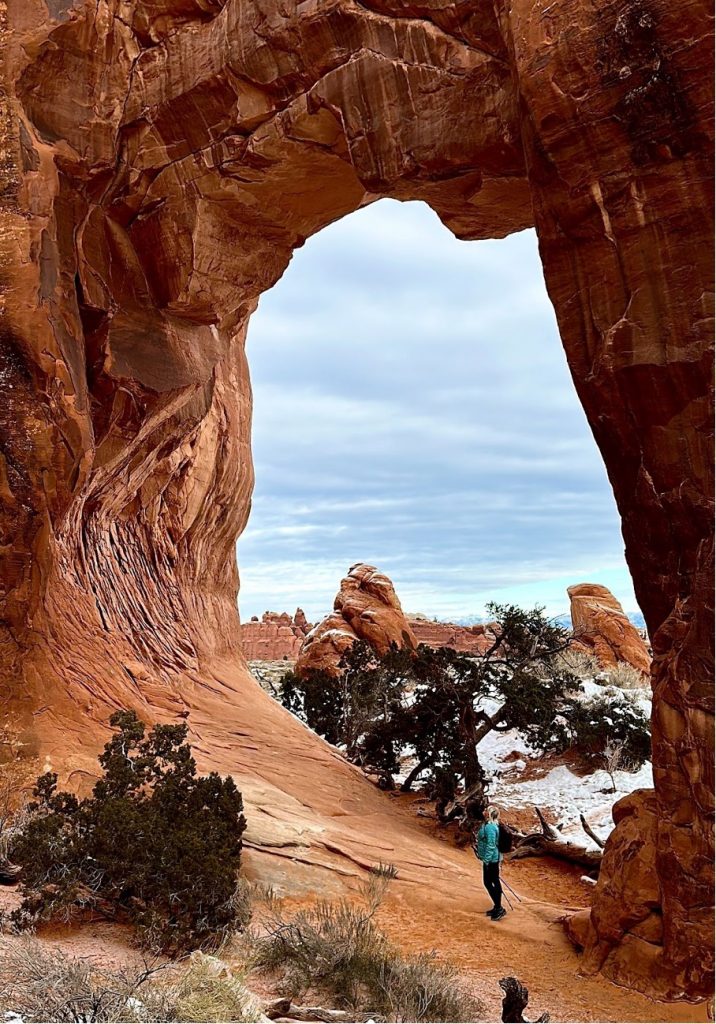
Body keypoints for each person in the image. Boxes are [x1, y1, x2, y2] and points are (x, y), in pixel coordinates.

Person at [474, 804, 506, 921]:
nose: (484, 811)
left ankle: (499, 908)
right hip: (491, 859)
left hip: (492, 860)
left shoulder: (490, 827)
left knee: (490, 882)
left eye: (486, 810)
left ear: (489, 814)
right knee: (492, 882)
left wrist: (486, 860)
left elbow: (491, 845)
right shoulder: (488, 825)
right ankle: (497, 906)